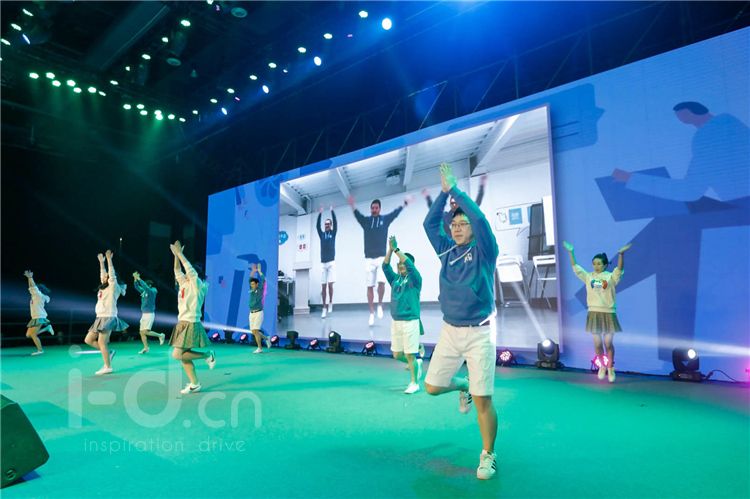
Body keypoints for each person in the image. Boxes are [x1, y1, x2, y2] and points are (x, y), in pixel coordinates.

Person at [422, 163, 500, 480]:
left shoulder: (485, 251)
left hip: (480, 333)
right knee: (432, 387)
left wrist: (455, 189)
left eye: (462, 224)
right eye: (454, 224)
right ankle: (463, 385)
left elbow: (480, 220)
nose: (456, 228)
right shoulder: (446, 251)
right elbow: (429, 224)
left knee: (483, 401)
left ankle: (488, 455)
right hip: (450, 331)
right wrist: (444, 195)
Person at [563, 241, 632, 382]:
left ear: (605, 265)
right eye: (594, 263)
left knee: (608, 343)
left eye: (599, 263)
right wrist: (571, 252)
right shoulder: (589, 276)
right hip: (593, 313)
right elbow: (576, 268)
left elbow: (619, 269)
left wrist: (621, 254)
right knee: (597, 344)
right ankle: (602, 366)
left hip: (608, 313)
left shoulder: (611, 277)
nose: (596, 266)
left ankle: (610, 367)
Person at [348, 195, 409, 326]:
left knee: (381, 282)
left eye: (376, 208)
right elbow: (357, 215)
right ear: (370, 209)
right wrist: (352, 205)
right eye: (372, 208)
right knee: (370, 286)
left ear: (379, 209)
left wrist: (404, 204)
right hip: (369, 258)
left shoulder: (385, 220)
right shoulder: (366, 221)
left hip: (381, 256)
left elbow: (395, 214)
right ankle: (371, 312)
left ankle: (380, 304)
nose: (374, 210)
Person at [169, 241, 216, 394]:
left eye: (189, 273)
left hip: (191, 322)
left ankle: (208, 355)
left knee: (177, 354)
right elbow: (177, 270)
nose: (186, 274)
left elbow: (189, 270)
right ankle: (195, 383)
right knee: (184, 357)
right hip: (182, 322)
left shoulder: (198, 285)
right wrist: (176, 255)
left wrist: (180, 254)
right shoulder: (184, 283)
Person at [382, 235, 423, 394]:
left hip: (410, 321)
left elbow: (409, 265)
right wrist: (390, 250)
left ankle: (414, 383)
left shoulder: (415, 280)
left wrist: (397, 250)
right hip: (396, 321)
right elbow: (385, 267)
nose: (401, 265)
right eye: (399, 264)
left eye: (403, 263)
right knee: (397, 354)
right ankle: (418, 363)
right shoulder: (395, 280)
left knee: (410, 355)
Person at [84, 250, 128, 375]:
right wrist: (101, 262)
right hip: (99, 317)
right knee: (88, 340)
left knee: (101, 342)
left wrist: (109, 260)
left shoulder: (113, 287)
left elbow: (112, 275)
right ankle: (109, 353)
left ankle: (107, 367)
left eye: (106, 276)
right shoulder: (103, 287)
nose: (103, 277)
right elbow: (103, 274)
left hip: (108, 316)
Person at [423, 174, 488, 235]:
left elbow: (477, 203)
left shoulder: (464, 213)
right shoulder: (447, 217)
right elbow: (435, 211)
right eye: (453, 203)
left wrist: (482, 185)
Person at [132, 272, 165, 354]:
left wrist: (139, 279)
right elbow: (136, 286)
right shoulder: (143, 291)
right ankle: (146, 348)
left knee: (145, 331)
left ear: (149, 285)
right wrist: (135, 279)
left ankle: (160, 335)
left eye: (146, 285)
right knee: (141, 332)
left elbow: (145, 287)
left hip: (149, 314)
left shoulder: (152, 291)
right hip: (144, 314)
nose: (143, 287)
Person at [23, 270, 54, 355]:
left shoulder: (38, 295)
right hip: (35, 317)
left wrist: (30, 277)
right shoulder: (36, 295)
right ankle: (47, 328)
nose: (32, 289)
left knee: (33, 335)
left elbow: (33, 287)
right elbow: (31, 287)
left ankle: (40, 350)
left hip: (39, 316)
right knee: (28, 335)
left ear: (38, 290)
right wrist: (29, 279)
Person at [316, 205, 337, 318]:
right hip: (323, 263)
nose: (326, 225)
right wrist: (320, 213)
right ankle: (324, 307)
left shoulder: (333, 233)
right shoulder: (322, 234)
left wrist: (332, 211)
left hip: (331, 262)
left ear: (331, 225)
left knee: (330, 285)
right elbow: (317, 226)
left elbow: (336, 223)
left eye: (328, 224)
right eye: (325, 224)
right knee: (323, 286)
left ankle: (330, 303)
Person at [248, 263, 271, 353]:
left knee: (256, 330)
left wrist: (259, 271)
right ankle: (267, 338)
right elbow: (250, 278)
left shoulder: (260, 289)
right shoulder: (251, 290)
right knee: (254, 332)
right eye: (251, 284)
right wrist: (253, 271)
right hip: (251, 313)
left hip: (258, 313)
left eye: (253, 284)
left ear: (257, 284)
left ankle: (260, 348)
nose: (252, 285)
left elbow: (263, 279)